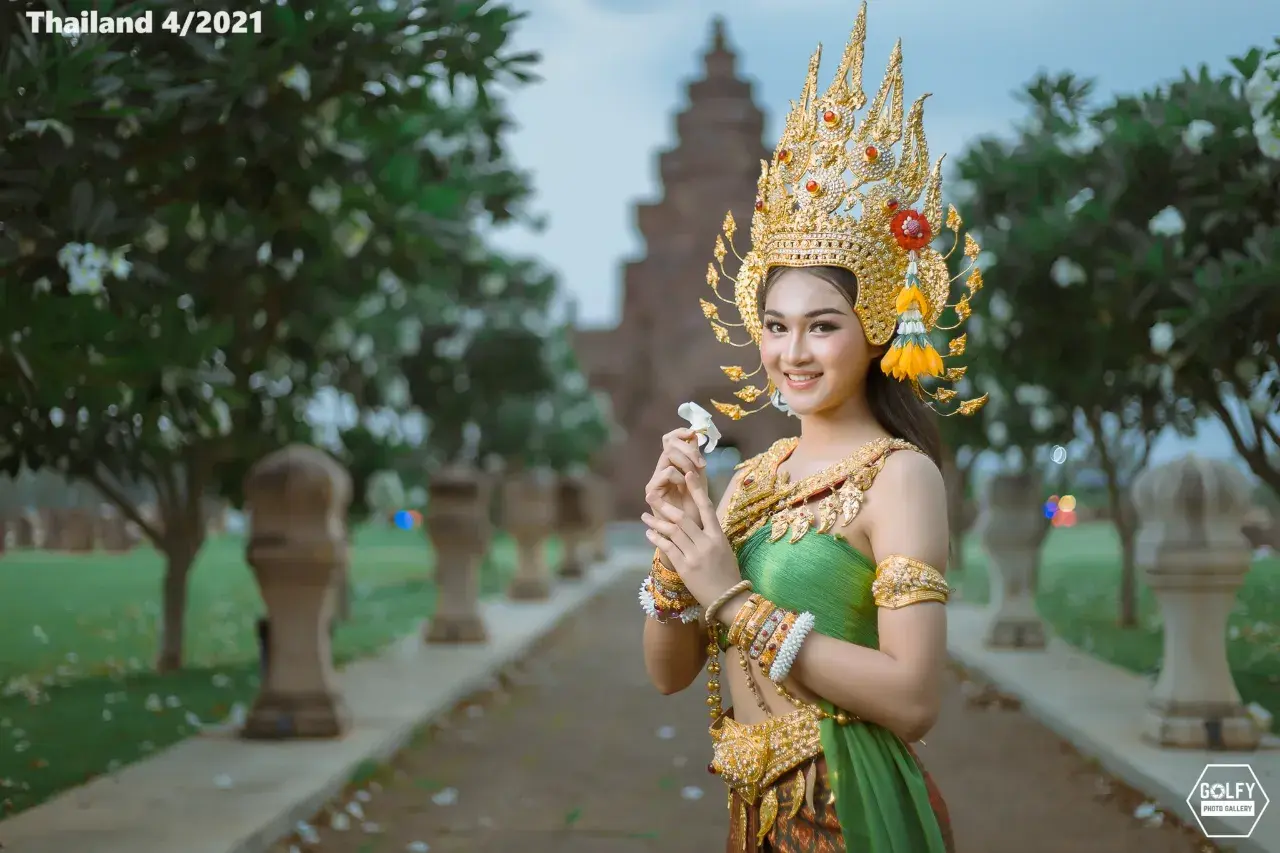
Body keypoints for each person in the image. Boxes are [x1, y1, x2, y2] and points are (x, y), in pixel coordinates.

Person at [637, 4, 989, 851]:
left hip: (852, 808)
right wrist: (678, 537)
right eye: (777, 324)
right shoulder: (757, 475)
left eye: (822, 325)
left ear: (877, 332)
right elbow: (670, 673)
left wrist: (732, 596)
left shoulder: (899, 476)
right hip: (756, 812)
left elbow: (913, 698)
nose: (792, 352)